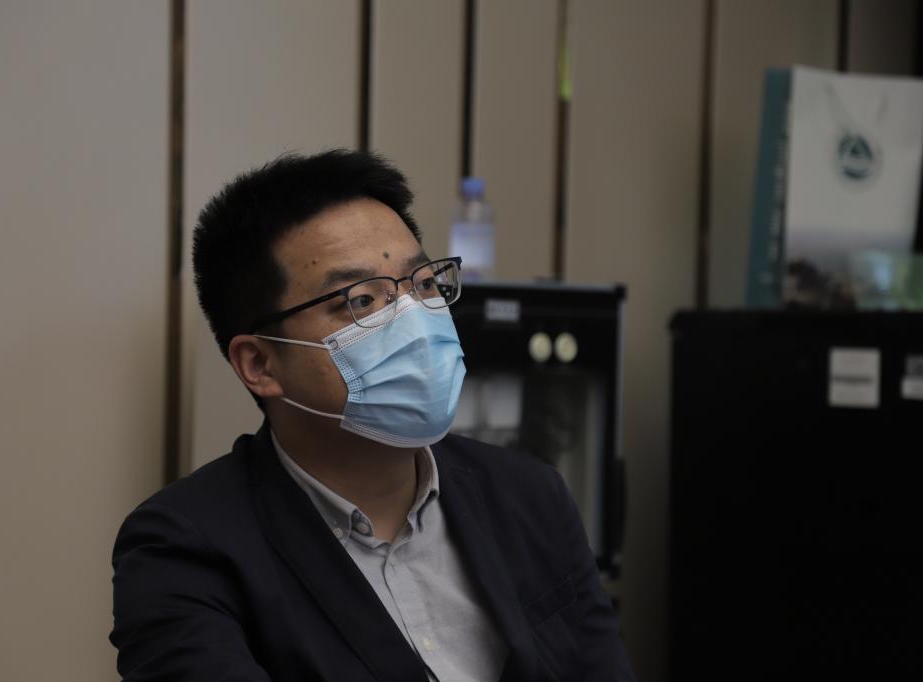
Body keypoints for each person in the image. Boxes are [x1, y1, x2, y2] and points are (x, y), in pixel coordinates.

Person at [110, 149, 633, 681]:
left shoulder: (529, 495)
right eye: (360, 300)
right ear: (260, 363)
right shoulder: (183, 549)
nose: (414, 318)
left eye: (423, 283)